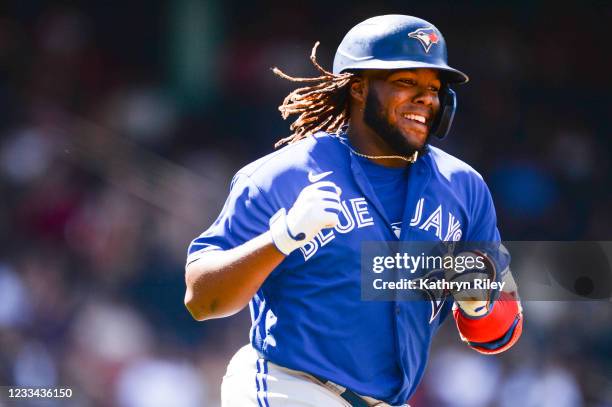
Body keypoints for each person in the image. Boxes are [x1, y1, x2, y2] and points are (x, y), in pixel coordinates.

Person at [184, 15, 523, 407]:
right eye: (406, 82)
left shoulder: (464, 188)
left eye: (434, 88)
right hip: (289, 387)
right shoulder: (284, 175)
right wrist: (281, 238)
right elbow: (201, 298)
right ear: (359, 87)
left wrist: (480, 302)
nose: (425, 99)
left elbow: (500, 332)